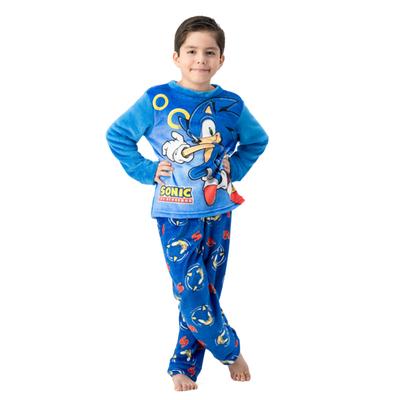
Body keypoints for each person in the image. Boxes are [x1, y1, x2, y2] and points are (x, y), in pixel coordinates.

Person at [106, 15, 268, 391]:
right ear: (176, 57)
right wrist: (147, 171)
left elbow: (257, 140)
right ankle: (230, 350)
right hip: (175, 212)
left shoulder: (231, 104)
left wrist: (234, 168)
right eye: (192, 51)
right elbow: (118, 135)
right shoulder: (156, 100)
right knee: (191, 294)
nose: (200, 59)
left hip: (219, 210)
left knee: (206, 291)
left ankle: (183, 366)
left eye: (209, 52)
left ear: (221, 59)